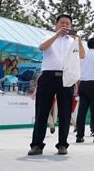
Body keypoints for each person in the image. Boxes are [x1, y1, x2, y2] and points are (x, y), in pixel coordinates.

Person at [29, 14, 85, 156]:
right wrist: (56, 35)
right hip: (48, 76)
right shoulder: (49, 38)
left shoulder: (73, 41)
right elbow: (41, 48)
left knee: (65, 112)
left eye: (67, 23)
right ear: (56, 24)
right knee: (42, 112)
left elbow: (82, 55)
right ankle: (37, 145)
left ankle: (62, 145)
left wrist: (79, 41)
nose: (64, 25)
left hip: (66, 78)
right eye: (62, 23)